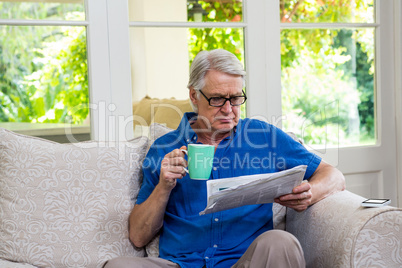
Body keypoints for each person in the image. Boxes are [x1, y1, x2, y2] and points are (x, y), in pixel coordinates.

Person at [105, 49, 345, 268]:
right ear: (194, 95)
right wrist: (164, 186)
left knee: (281, 242)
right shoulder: (164, 148)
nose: (229, 109)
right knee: (118, 267)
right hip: (181, 265)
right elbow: (138, 236)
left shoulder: (263, 137)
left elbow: (333, 175)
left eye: (236, 98)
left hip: (244, 262)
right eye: (218, 99)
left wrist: (310, 192)